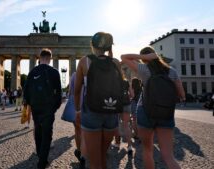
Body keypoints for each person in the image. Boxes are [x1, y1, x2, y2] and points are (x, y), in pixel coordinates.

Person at [121, 46, 185, 169]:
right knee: (168, 156)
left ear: (145, 59)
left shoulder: (144, 69)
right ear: (156, 55)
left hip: (145, 111)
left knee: (147, 150)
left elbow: (123, 57)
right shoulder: (172, 71)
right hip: (166, 112)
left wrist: (143, 58)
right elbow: (181, 95)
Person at [74, 32, 122, 169]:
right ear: (108, 47)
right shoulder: (116, 63)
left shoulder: (85, 61)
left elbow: (76, 90)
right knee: (102, 156)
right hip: (111, 112)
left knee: (94, 162)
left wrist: (77, 110)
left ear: (92, 45)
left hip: (91, 112)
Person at [24, 48, 62, 169]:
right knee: (47, 133)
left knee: (38, 130)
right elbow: (59, 92)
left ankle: (40, 153)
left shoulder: (33, 71)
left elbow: (26, 89)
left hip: (35, 106)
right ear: (50, 59)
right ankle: (42, 161)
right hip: (48, 107)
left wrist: (29, 103)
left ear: (40, 58)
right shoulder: (54, 72)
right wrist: (55, 106)